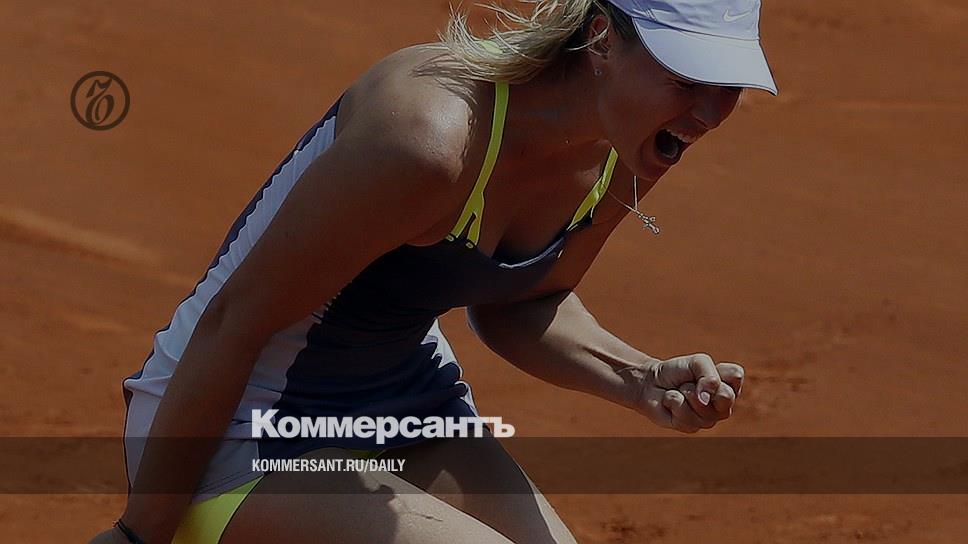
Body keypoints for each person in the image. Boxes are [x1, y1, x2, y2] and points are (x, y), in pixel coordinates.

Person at [91, 0, 776, 542]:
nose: (710, 113)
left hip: (407, 405)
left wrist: (637, 378)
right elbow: (234, 323)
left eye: (729, 86)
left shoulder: (633, 144)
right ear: (601, 38)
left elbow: (523, 302)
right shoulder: (429, 140)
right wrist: (139, 534)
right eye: (688, 79)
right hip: (241, 421)